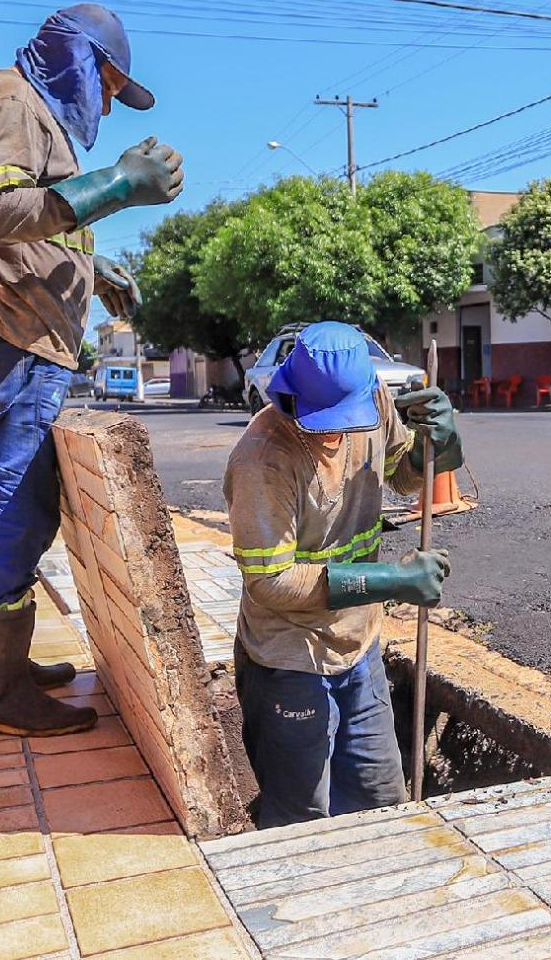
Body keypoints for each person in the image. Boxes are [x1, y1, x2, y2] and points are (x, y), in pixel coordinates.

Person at [0, 3, 184, 738]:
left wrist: (88, 262)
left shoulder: (26, 110)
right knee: (14, 508)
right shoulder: (12, 101)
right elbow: (1, 214)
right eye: (107, 84)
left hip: (16, 332)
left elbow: (32, 221)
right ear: (77, 60)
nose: (107, 102)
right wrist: (117, 184)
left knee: (16, 502)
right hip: (9, 333)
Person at [224, 322, 464, 828]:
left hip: (359, 647)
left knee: (380, 796)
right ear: (291, 393)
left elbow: (403, 474)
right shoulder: (263, 458)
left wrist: (440, 444)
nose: (334, 432)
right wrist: (392, 581)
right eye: (321, 420)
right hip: (289, 656)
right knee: (302, 815)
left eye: (342, 419)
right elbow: (271, 581)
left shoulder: (371, 401)